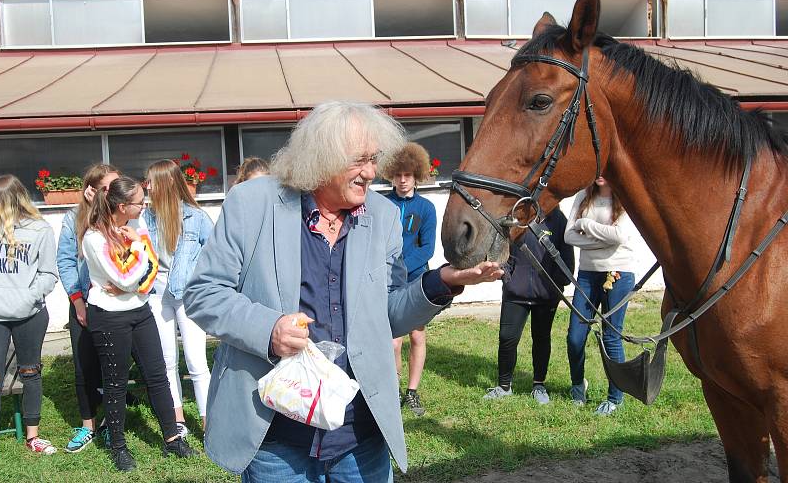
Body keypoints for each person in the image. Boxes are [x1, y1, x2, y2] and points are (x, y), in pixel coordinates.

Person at [183, 101, 502, 482]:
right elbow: (203, 292)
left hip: (360, 433)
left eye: (374, 159)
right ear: (322, 157)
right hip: (277, 433)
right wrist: (268, 329)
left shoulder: (382, 217)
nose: (371, 172)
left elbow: (389, 314)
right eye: (360, 161)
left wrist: (443, 281)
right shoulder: (253, 203)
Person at [79, 176, 196, 471]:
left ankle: (172, 438)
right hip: (108, 316)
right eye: (138, 202)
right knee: (116, 383)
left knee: (158, 375)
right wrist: (139, 262)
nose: (144, 205)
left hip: (140, 311)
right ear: (121, 206)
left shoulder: (137, 227)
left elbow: (152, 270)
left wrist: (139, 254)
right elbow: (126, 277)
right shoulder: (94, 239)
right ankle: (118, 447)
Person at [0, 174, 59, 463]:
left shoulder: (40, 229)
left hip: (30, 314)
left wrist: (30, 296)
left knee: (30, 372)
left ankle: (33, 436)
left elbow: (48, 274)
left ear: (7, 200)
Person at [142, 159, 213, 436]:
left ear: (168, 182)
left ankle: (208, 424)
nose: (147, 186)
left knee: (197, 362)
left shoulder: (195, 217)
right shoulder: (145, 217)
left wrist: (204, 282)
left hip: (188, 296)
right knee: (167, 361)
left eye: (151, 181)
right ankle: (178, 421)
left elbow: (216, 253)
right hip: (155, 294)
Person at [56, 163, 120, 453]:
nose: (113, 192)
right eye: (108, 187)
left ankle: (110, 422)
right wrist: (77, 301)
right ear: (91, 190)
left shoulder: (119, 217)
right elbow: (66, 261)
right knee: (84, 366)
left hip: (114, 303)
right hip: (83, 300)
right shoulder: (73, 219)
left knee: (112, 364)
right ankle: (88, 425)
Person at [483, 206, 574, 404]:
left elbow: (567, 260)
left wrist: (554, 284)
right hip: (515, 293)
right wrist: (508, 277)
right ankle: (504, 386)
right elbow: (502, 249)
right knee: (507, 338)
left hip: (546, 296)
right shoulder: (517, 217)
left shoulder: (558, 220)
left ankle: (539, 385)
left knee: (541, 339)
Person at [564, 176, 636, 416]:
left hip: (618, 273)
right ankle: (577, 386)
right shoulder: (583, 197)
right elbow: (568, 236)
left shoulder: (624, 197)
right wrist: (603, 240)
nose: (600, 173)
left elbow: (621, 237)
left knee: (611, 337)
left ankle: (614, 398)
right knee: (575, 337)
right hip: (587, 274)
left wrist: (585, 224)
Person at [382, 142, 437, 417]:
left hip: (416, 278)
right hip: (388, 278)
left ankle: (412, 392)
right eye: (398, 175)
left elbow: (427, 248)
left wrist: (403, 267)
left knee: (417, 335)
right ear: (392, 175)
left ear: (417, 175)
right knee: (393, 339)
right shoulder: (382, 204)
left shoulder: (426, 208)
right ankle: (392, 387)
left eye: (408, 175)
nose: (403, 181)